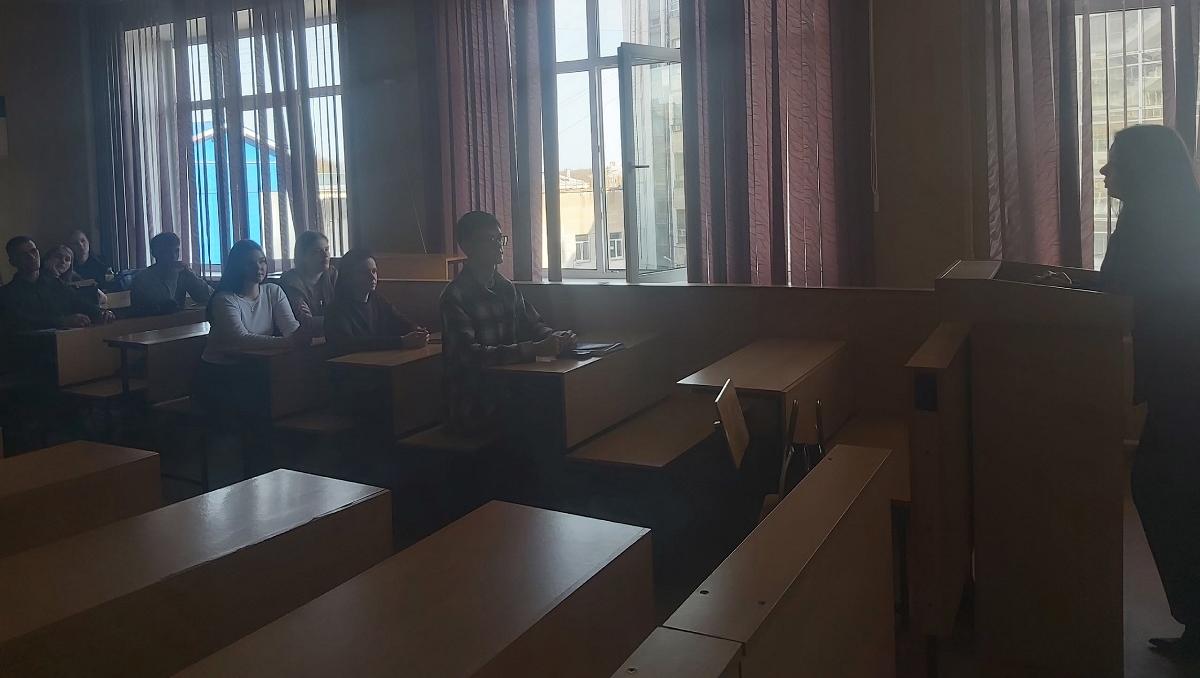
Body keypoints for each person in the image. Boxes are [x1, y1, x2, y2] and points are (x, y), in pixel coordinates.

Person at [1098, 124, 1200, 658]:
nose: (1104, 170)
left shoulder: (1143, 224)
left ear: (1142, 170)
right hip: (1183, 381)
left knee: (1164, 490)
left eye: (1114, 161)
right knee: (1173, 492)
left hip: (1184, 384)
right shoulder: (1178, 214)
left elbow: (1117, 292)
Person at [439, 211, 576, 432]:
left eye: (499, 238)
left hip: (508, 389)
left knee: (563, 407)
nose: (498, 245)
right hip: (473, 401)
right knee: (548, 418)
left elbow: (532, 324)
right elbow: (471, 356)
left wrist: (556, 338)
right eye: (489, 239)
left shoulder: (506, 288)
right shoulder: (455, 296)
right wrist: (535, 349)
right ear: (467, 246)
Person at [196, 240, 314, 412]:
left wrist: (302, 332)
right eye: (250, 263)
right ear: (237, 267)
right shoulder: (224, 299)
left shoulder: (273, 291)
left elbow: (291, 328)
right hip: (222, 372)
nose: (259, 267)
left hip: (255, 366)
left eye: (262, 261)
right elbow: (240, 340)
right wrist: (290, 341)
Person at [325, 248, 428, 355]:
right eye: (364, 273)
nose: (372, 277)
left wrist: (416, 330)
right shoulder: (336, 310)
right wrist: (401, 342)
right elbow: (350, 344)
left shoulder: (377, 300)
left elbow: (399, 320)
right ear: (349, 276)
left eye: (374, 271)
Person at [0, 236, 113, 332]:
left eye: (33, 251)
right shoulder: (7, 294)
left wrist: (100, 313)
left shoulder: (55, 284)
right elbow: (22, 322)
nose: (31, 257)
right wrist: (61, 322)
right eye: (24, 255)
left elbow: (78, 301)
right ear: (13, 262)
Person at [131, 232, 213, 315]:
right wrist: (172, 276)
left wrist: (191, 275)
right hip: (150, 322)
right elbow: (167, 304)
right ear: (154, 253)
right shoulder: (143, 279)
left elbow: (208, 297)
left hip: (178, 322)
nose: (173, 256)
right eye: (167, 252)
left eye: (176, 251)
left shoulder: (181, 273)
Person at [279, 231, 337, 334]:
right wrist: (336, 319)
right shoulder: (290, 281)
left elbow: (348, 312)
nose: (325, 255)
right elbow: (305, 322)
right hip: (303, 339)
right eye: (317, 251)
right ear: (303, 256)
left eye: (326, 249)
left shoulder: (333, 274)